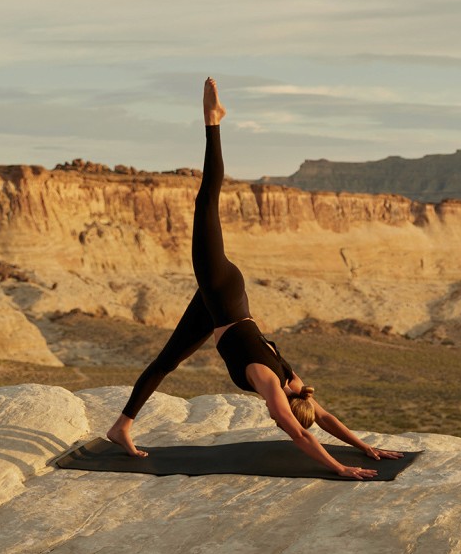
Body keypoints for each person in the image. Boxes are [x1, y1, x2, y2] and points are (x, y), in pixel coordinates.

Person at [106, 78, 403, 480]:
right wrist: (339, 467)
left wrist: (364, 447)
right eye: (280, 415)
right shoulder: (272, 384)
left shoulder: (295, 383)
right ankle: (213, 121)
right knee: (206, 200)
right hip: (220, 289)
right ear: (285, 406)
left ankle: (121, 426)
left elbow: (323, 418)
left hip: (219, 306)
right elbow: (300, 432)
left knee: (166, 361)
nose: (276, 417)